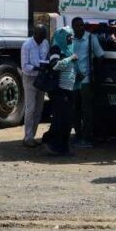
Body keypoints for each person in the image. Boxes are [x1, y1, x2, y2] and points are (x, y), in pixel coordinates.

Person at [42, 28, 79, 156]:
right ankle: (53, 145)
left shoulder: (69, 48)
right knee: (60, 120)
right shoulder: (56, 49)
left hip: (69, 90)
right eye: (69, 36)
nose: (71, 39)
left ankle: (63, 147)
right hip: (59, 90)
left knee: (67, 121)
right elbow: (54, 65)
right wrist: (70, 59)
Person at [69, 17, 105, 147]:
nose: (80, 28)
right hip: (72, 80)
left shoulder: (90, 38)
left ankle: (87, 137)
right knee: (74, 110)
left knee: (87, 111)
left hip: (85, 81)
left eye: (81, 25)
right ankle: (78, 136)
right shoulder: (70, 39)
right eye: (77, 26)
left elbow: (100, 56)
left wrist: (93, 72)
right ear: (73, 27)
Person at [19, 24, 50, 147]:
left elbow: (46, 58)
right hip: (30, 78)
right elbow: (25, 67)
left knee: (39, 109)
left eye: (44, 37)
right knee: (30, 108)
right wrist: (38, 68)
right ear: (35, 34)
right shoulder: (27, 45)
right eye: (40, 37)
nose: (41, 39)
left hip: (41, 78)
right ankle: (27, 137)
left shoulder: (45, 43)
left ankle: (32, 136)